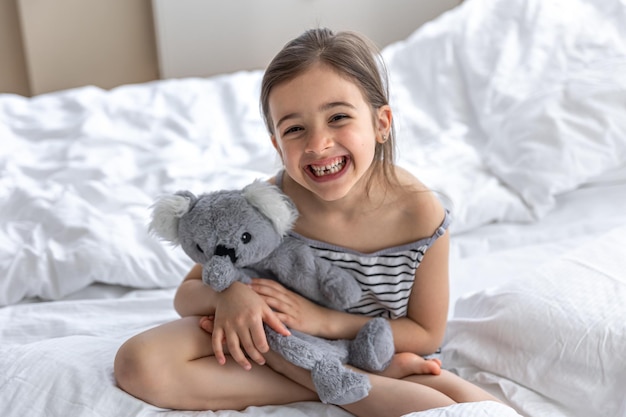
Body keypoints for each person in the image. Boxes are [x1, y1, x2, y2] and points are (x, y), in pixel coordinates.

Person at [114, 28, 500, 417]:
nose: (318, 145)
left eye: (338, 117)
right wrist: (231, 296)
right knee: (139, 362)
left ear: (381, 123)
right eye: (295, 129)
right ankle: (334, 379)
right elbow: (188, 293)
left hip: (376, 350)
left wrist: (324, 322)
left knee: (470, 405)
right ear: (276, 144)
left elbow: (426, 332)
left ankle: (341, 375)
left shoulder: (420, 214)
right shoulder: (271, 205)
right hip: (277, 343)